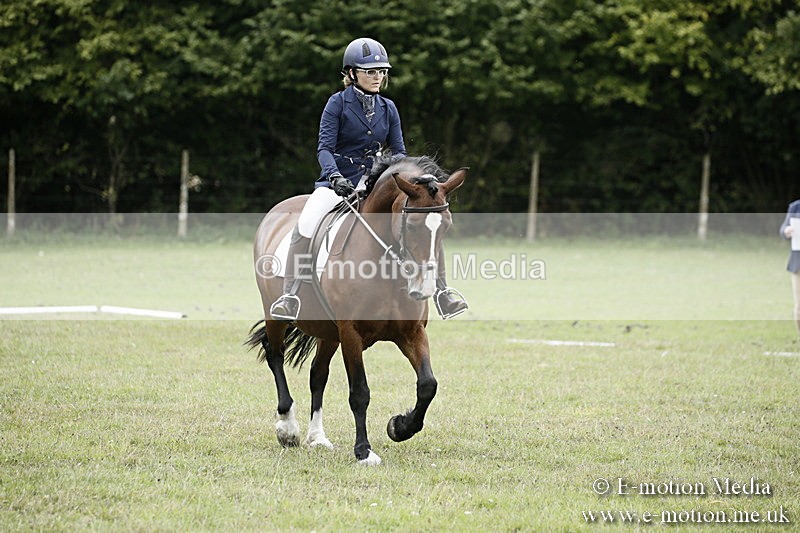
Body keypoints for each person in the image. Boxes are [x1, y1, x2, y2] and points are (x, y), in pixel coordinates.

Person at [270, 37, 469, 321]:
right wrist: (334, 176)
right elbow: (324, 149)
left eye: (381, 72)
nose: (378, 77)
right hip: (337, 184)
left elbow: (399, 152)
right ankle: (290, 294)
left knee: (425, 222)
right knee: (307, 222)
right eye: (371, 72)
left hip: (376, 184)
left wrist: (401, 177)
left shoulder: (389, 108)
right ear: (352, 74)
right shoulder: (336, 104)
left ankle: (442, 291)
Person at [780, 199, 800, 337]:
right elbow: (782, 229)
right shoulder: (795, 206)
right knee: (799, 307)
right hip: (798, 263)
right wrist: (786, 231)